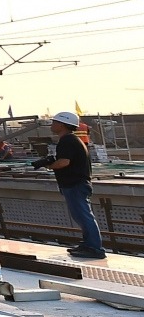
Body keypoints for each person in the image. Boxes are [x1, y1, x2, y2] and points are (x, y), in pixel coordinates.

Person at [32, 111, 105, 259]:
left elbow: (64, 162)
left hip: (75, 184)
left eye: (55, 122)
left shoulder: (68, 141)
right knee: (81, 216)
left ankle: (94, 248)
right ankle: (88, 244)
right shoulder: (71, 140)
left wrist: (49, 165)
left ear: (63, 125)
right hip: (74, 184)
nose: (52, 125)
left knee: (84, 216)